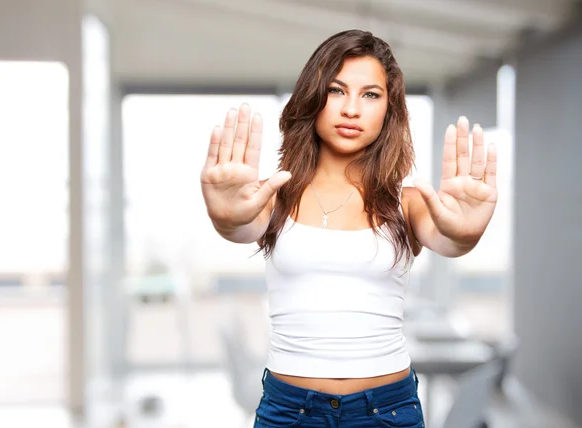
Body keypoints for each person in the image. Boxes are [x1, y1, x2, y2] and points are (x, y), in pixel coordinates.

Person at [200, 29, 497, 428]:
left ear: (389, 111)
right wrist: (225, 216)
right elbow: (239, 226)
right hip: (289, 412)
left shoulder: (405, 204)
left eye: (370, 94)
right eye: (337, 90)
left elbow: (450, 237)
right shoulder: (273, 195)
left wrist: (466, 231)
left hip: (388, 411)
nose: (351, 109)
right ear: (314, 96)